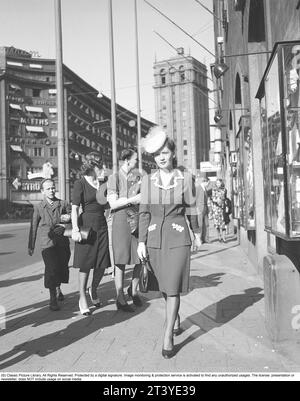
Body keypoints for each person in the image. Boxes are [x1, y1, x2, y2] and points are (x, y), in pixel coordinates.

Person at [137, 126, 202, 359]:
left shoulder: (185, 179)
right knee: (165, 285)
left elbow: (192, 207)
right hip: (154, 237)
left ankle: (167, 336)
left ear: (172, 153)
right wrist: (141, 242)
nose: (161, 158)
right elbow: (144, 212)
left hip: (177, 236)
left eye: (165, 153)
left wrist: (196, 232)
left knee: (172, 284)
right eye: (157, 154)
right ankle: (174, 319)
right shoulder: (147, 181)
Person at [71, 152, 111, 316]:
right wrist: (75, 229)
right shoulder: (80, 183)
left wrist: (107, 219)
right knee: (86, 263)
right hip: (86, 224)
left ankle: (93, 289)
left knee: (102, 263)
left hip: (101, 225)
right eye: (99, 165)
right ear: (92, 166)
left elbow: (108, 204)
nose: (102, 167)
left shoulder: (103, 183)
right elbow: (74, 208)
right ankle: (82, 297)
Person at [107, 149, 142, 312]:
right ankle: (120, 298)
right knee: (120, 260)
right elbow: (113, 203)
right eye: (135, 159)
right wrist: (132, 199)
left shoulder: (137, 177)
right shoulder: (114, 178)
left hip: (136, 218)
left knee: (140, 257)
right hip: (120, 220)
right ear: (127, 160)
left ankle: (133, 290)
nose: (137, 162)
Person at [28, 179, 71, 311]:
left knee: (62, 266)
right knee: (51, 268)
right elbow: (33, 227)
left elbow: (73, 217)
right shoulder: (39, 207)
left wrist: (66, 220)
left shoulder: (63, 203)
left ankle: (58, 287)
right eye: (48, 189)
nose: (51, 190)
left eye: (53, 188)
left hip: (62, 242)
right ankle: (53, 297)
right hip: (47, 243)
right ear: (42, 191)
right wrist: (31, 245)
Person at [208, 178, 227, 243]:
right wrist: (215, 201)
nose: (218, 184)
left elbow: (225, 198)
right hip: (216, 209)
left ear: (221, 183)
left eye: (219, 183)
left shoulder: (224, 189)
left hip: (222, 208)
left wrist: (223, 202)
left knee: (223, 223)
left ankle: (224, 238)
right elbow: (211, 198)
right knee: (217, 224)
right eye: (217, 183)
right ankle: (219, 237)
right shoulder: (213, 190)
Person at [196, 177, 210, 244]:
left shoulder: (205, 189)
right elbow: (195, 198)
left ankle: (206, 238)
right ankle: (200, 239)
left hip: (205, 207)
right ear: (205, 182)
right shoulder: (198, 188)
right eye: (208, 183)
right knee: (200, 224)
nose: (208, 184)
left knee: (206, 224)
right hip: (200, 208)